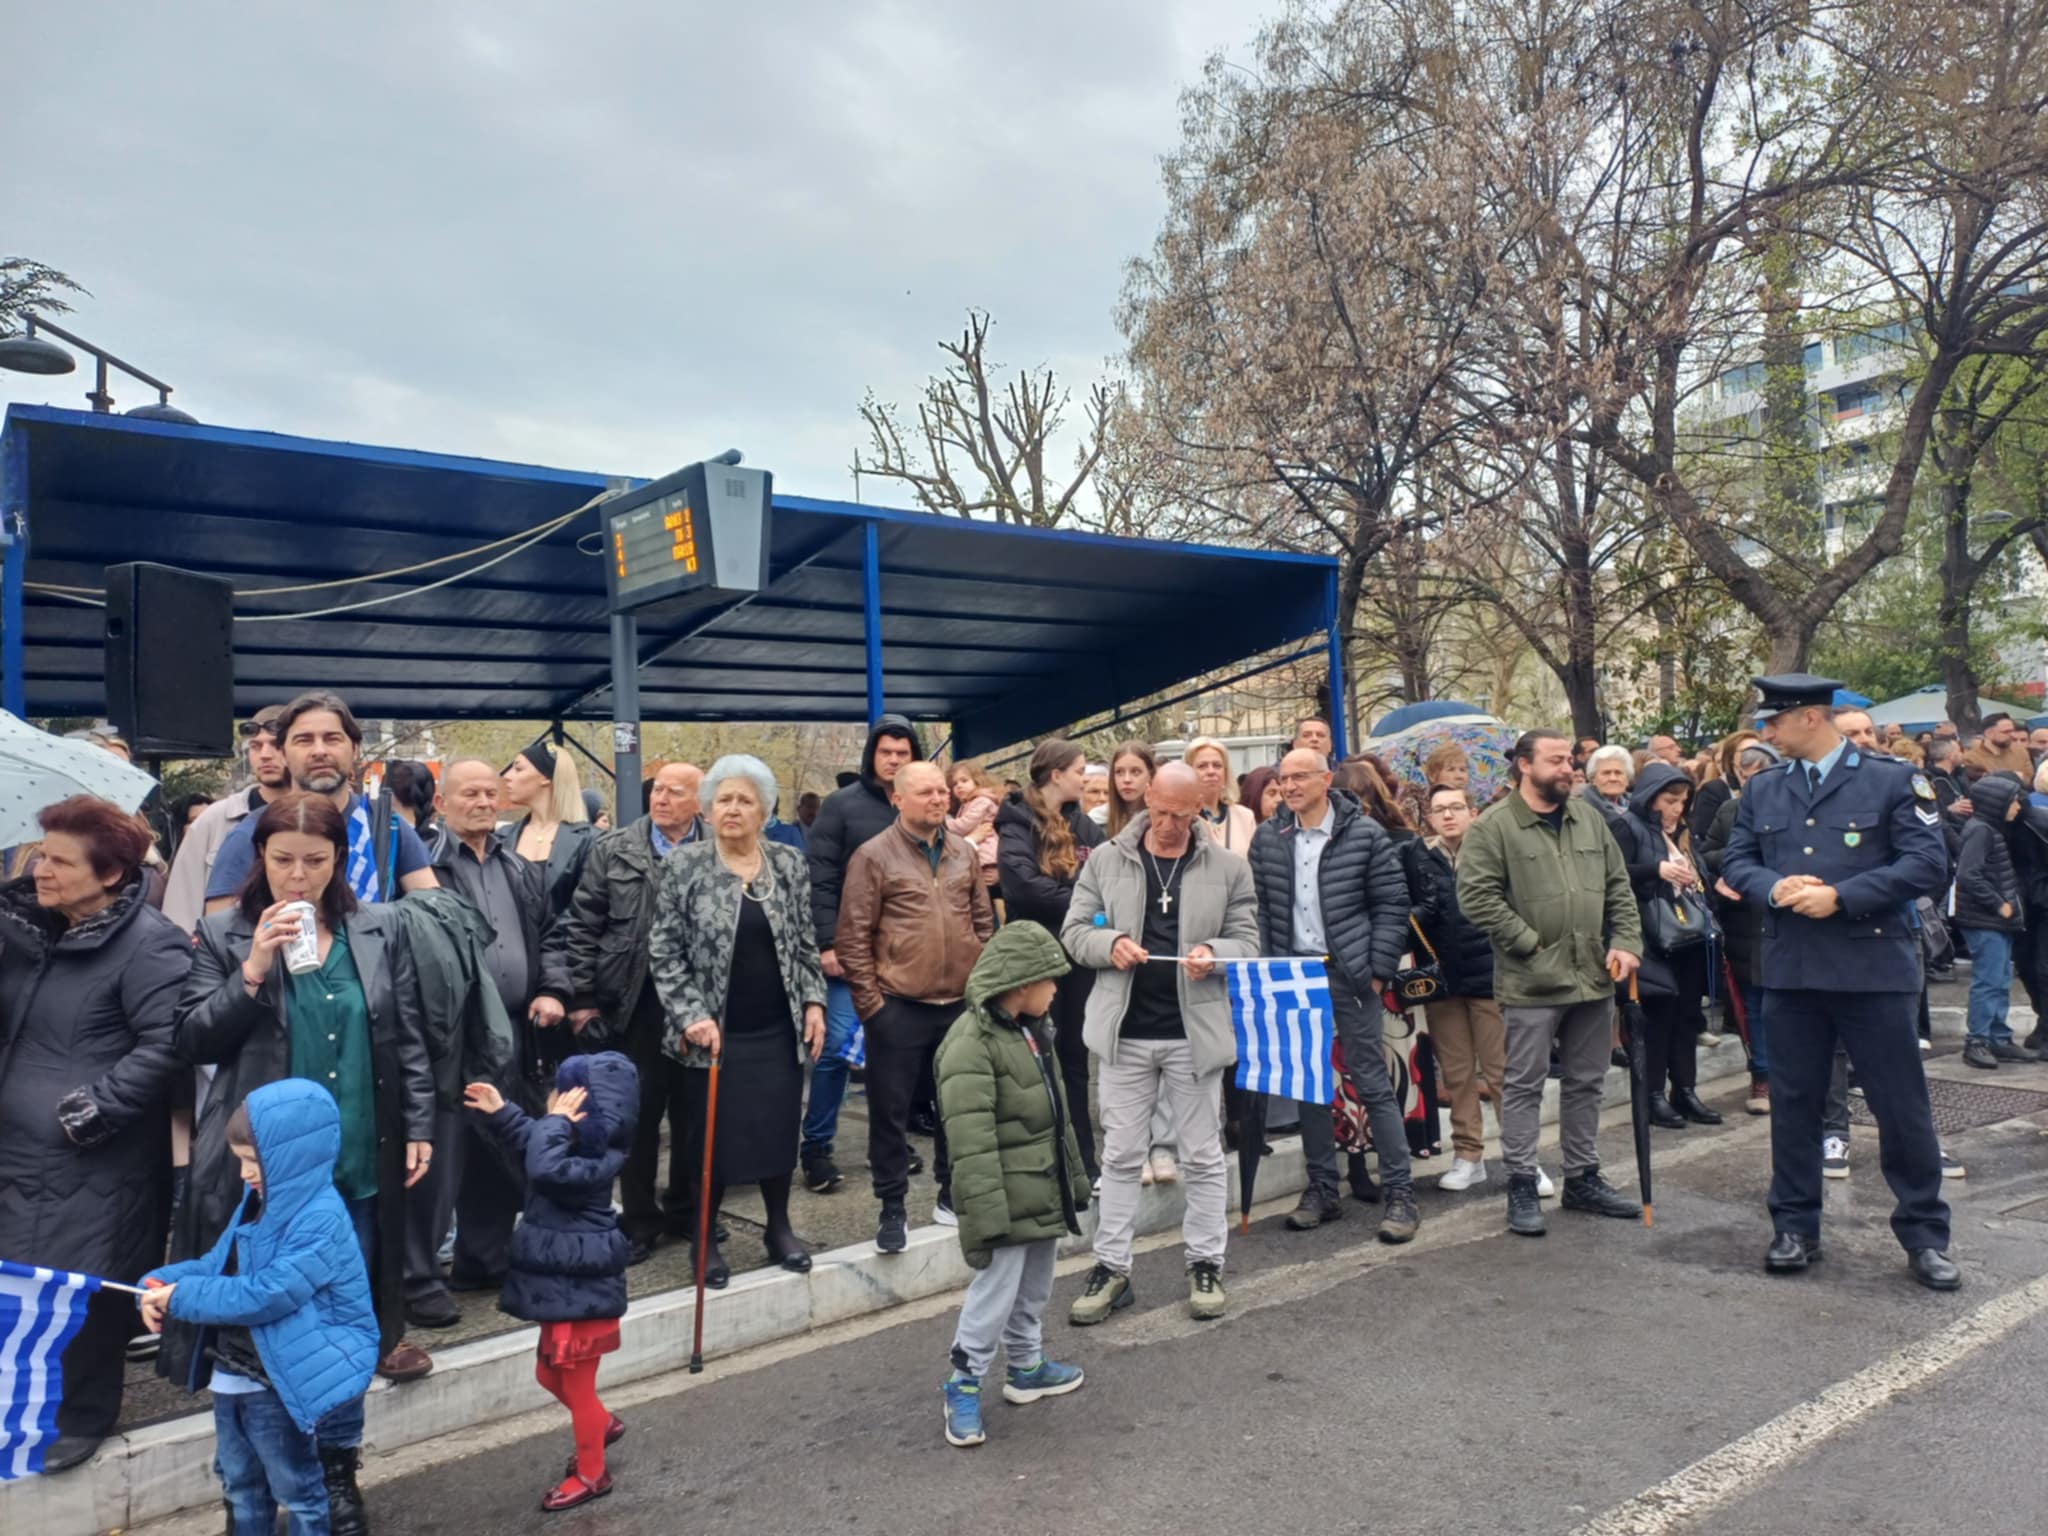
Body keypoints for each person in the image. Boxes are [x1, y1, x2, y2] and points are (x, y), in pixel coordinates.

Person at [174, 791, 438, 1532]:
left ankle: (334, 1469)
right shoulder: (223, 932)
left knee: (343, 1328)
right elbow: (194, 1039)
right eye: (282, 860)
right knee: (263, 1328)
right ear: (260, 858)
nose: (297, 876)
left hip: (358, 1157)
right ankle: (251, 1485)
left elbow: (407, 1035)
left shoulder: (378, 928)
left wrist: (417, 1122)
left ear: (339, 861)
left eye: (314, 861)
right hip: (266, 1176)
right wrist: (254, 966)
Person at [1723, 673, 1959, 1291]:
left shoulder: (1889, 779)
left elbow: (1927, 864)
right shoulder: (1765, 789)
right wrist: (1772, 888)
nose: (1764, 733)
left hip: (1872, 970)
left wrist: (1843, 897)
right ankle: (1796, 1227)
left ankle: (1926, 1234)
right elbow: (1738, 860)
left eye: (1772, 722)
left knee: (1899, 1108)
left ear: (1808, 718)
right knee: (1794, 1106)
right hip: (1793, 970)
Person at [0, 797, 191, 1472]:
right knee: (16, 1282)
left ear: (109, 873)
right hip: (14, 1151)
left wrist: (97, 1108)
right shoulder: (24, 928)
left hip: (93, 1158)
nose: (39, 868)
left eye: (57, 860)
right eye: (39, 853)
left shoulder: (150, 944)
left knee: (81, 1283)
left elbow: (170, 1040)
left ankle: (82, 1417)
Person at [1062, 761, 1259, 1324]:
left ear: (1201, 807)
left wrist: (1215, 955)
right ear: (1146, 795)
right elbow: (1074, 932)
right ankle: (1112, 1267)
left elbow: (1248, 939)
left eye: (1183, 814)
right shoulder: (1105, 859)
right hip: (1124, 1033)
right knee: (1121, 1156)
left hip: (1192, 1034)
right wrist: (1111, 943)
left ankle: (1205, 1262)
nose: (1170, 825)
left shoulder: (1227, 867)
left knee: (1201, 1155)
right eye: (1162, 811)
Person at [142, 1083, 378, 1536]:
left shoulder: (321, 1217)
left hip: (280, 1380)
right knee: (239, 1482)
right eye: (242, 1161)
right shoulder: (257, 1204)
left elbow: (270, 1293)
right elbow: (217, 1264)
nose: (245, 1174)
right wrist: (159, 1282)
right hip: (236, 1372)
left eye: (255, 1161)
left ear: (295, 1157)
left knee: (298, 1490)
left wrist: (183, 1298)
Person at [1457, 730, 1646, 1237]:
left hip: (1594, 976)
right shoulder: (1494, 827)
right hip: (1531, 981)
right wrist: (1530, 944)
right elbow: (1476, 897)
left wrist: (1627, 942)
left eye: (1570, 760)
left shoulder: (1589, 817)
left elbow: (1618, 886)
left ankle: (1583, 1177)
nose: (1569, 768)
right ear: (1524, 765)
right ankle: (1521, 1180)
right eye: (1557, 760)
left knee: (1588, 1080)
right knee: (1523, 1084)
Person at [648, 755, 828, 1284]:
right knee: (710, 1139)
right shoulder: (686, 865)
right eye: (723, 799)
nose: (732, 809)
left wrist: (814, 1002)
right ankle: (703, 1239)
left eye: (744, 800)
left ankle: (778, 1227)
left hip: (777, 1028)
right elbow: (663, 949)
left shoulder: (789, 864)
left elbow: (803, 943)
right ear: (707, 808)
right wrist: (690, 1015)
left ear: (765, 810)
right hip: (712, 1034)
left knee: (777, 1132)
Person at [407, 760, 562, 1321]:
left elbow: (550, 934)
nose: (483, 802)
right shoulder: (420, 867)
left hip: (517, 1030)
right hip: (449, 1039)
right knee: (446, 1156)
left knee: (501, 1147)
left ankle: (483, 1259)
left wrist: (551, 987)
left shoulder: (520, 866)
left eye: (491, 793)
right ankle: (420, 1277)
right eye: (469, 793)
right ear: (442, 802)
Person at [934, 922, 1093, 1448]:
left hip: (1038, 1190)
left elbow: (1057, 1116)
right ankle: (962, 1383)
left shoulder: (1031, 1030)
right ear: (1023, 982)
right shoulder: (970, 1046)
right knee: (995, 1292)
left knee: (1034, 1286)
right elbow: (970, 1144)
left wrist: (1072, 1178)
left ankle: (1025, 1368)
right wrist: (986, 1219)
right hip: (1003, 1199)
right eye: (1052, 979)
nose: (1057, 990)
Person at [1249, 749, 1419, 1240]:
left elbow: (1392, 904)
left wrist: (1378, 971)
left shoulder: (1363, 833)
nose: (1289, 786)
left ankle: (1400, 1193)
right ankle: (1323, 1187)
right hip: (1294, 974)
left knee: (1371, 1081)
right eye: (1283, 779)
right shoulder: (1268, 838)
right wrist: (1269, 968)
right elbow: (1259, 908)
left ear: (1327, 779)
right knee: (1309, 1084)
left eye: (1300, 776)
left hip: (1350, 974)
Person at [545, 759, 705, 1262]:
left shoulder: (716, 851)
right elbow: (582, 925)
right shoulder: (614, 848)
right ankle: (639, 1220)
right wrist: (584, 1000)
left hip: (699, 1008)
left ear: (700, 801)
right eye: (658, 791)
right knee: (636, 1118)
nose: (660, 800)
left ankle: (687, 1211)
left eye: (675, 793)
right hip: (633, 1003)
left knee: (694, 1116)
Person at [463, 1053, 638, 1512]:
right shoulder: (564, 1139)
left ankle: (592, 1473)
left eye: (566, 1095)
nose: (554, 1102)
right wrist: (503, 1112)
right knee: (547, 1373)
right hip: (562, 1286)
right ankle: (599, 1424)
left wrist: (554, 1122)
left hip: (583, 1289)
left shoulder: (599, 1157)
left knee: (577, 1385)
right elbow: (534, 1142)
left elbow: (543, 1166)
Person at [837, 760, 995, 1251]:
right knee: (891, 1112)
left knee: (957, 1107)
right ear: (897, 800)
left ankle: (951, 1194)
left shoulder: (963, 852)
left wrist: (982, 987)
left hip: (959, 1005)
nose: (938, 799)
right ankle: (892, 1207)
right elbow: (853, 937)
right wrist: (873, 1008)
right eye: (925, 792)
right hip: (898, 1005)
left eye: (942, 791)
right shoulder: (873, 856)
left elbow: (984, 924)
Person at [803, 714, 924, 1194]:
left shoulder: (919, 806)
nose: (893, 760)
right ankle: (816, 1149)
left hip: (904, 955)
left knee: (893, 1056)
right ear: (872, 755)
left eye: (903, 753)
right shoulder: (841, 806)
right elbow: (821, 876)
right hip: (849, 955)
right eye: (885, 752)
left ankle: (890, 1146)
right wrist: (827, 942)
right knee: (833, 1053)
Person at [204, 693, 439, 914]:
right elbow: (221, 937)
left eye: (332, 739)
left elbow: (435, 914)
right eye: (304, 740)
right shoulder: (252, 832)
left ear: (355, 749)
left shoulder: (387, 827)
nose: (319, 751)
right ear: (284, 754)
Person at [996, 740, 1107, 1183]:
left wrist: (1077, 903)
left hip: (1077, 959)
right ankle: (1044, 1160)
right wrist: (1082, 904)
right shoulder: (1015, 823)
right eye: (1080, 770)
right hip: (1036, 962)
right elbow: (1022, 888)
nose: (1087, 778)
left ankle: (1083, 1158)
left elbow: (1108, 873)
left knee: (1075, 1061)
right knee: (1039, 1061)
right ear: (1057, 774)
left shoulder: (1082, 824)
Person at [1404, 783, 1515, 1193]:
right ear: (1428, 818)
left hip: (1490, 977)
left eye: (1455, 807)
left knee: (1503, 1070)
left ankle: (1522, 1156)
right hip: (1442, 980)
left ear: (1472, 811)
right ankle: (1468, 1154)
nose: (1448, 815)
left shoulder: (1493, 849)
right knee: (1456, 1074)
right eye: (1439, 810)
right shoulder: (1416, 856)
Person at [1610, 762, 1721, 1129]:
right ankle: (1653, 1095)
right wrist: (1655, 870)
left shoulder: (1684, 832)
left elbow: (1699, 871)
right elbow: (1613, 875)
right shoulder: (1626, 825)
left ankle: (1685, 1089)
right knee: (1657, 1019)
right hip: (1649, 938)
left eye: (1682, 801)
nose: (1676, 808)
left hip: (1688, 935)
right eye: (1669, 800)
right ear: (1650, 797)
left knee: (1688, 1017)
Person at [1703, 741, 1783, 1114]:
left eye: (1758, 778)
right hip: (1744, 921)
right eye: (1744, 778)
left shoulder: (1794, 808)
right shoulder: (1730, 810)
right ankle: (1762, 1076)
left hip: (1789, 918)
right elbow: (1707, 854)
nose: (1751, 785)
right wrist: (1740, 861)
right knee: (1754, 1005)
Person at [166, 706, 290, 933]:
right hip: (226, 959)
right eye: (256, 746)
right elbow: (180, 908)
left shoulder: (325, 817)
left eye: (276, 745)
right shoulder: (215, 819)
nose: (264, 755)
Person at [1951, 771, 2038, 1069]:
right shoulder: (1982, 831)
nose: (2018, 807)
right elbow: (1967, 874)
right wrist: (1999, 903)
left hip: (1995, 920)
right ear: (1997, 803)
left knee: (2000, 979)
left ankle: (1998, 1038)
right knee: (1988, 981)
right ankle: (1977, 1041)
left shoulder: (1992, 829)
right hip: (1984, 919)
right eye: (2013, 801)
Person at [501, 739, 597, 921]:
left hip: (565, 947)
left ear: (545, 777)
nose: (507, 776)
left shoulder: (589, 841)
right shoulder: (501, 837)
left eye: (518, 769)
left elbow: (588, 908)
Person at [1184, 736, 1257, 854]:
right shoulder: (1182, 817)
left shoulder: (1245, 817)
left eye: (1217, 765)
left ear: (1226, 772)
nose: (1211, 771)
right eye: (1202, 766)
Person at [1691, 731, 1760, 846]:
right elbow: (1705, 847)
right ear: (1732, 760)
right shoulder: (1725, 806)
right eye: (1747, 751)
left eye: (1759, 750)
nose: (1755, 755)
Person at [947, 758, 1004, 895]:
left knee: (989, 887)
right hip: (977, 851)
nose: (959, 786)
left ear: (977, 781)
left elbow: (965, 825)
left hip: (987, 852)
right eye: (955, 784)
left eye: (964, 781)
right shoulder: (966, 804)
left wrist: (944, 823)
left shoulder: (982, 801)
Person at [1105, 739, 1158, 839]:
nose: (1126, 780)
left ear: (1151, 775)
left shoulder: (1163, 819)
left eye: (1136, 772)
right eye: (1119, 772)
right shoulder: (1099, 821)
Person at [1965, 712, 2034, 779]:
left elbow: (2028, 778)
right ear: (1989, 733)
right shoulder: (1971, 758)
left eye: (2012, 731)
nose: (2012, 735)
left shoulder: (2021, 753)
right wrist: (2014, 776)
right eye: (2006, 732)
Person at [1583, 745, 1634, 816]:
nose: (1613, 778)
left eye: (1618, 773)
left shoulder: (1640, 805)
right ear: (1593, 779)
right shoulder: (1582, 810)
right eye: (1606, 773)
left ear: (1627, 779)